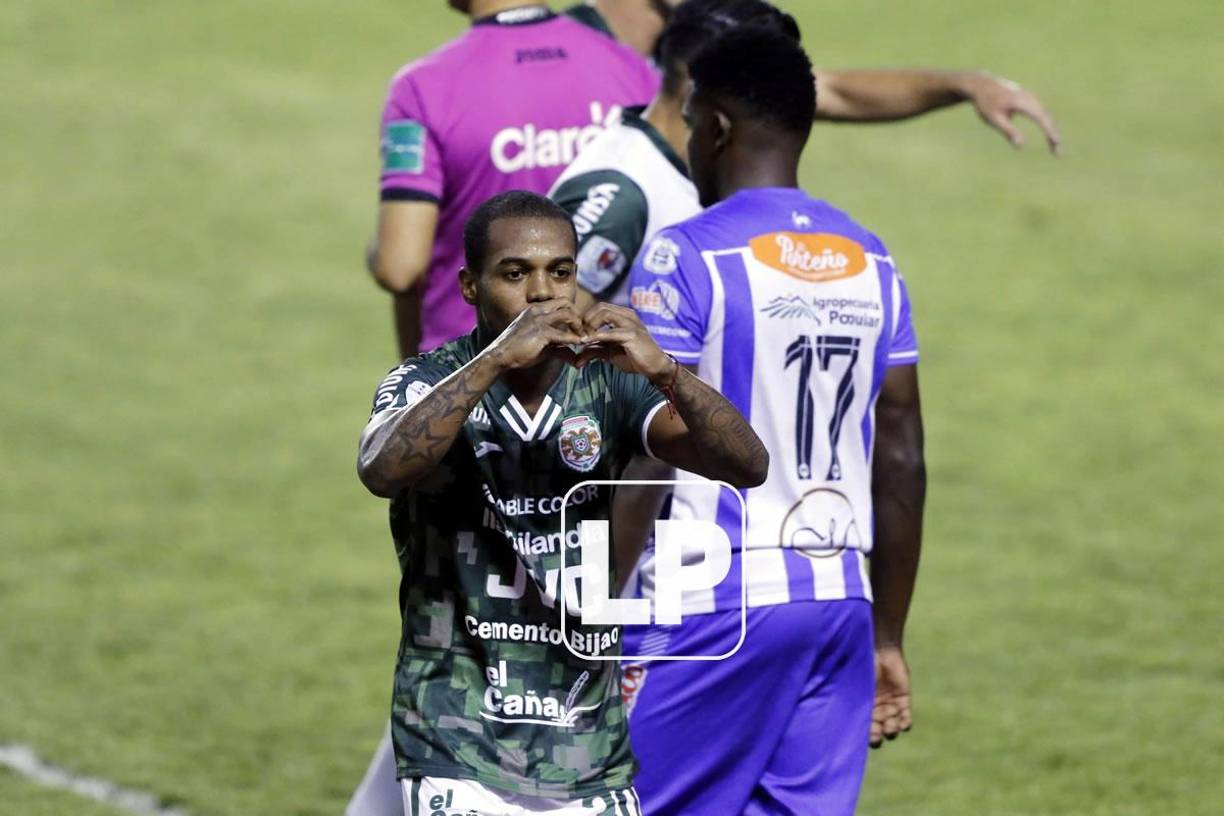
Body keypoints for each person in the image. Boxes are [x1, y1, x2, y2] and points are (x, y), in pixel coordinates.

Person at [355, 191, 767, 815]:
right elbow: (383, 469)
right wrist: (494, 363)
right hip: (458, 743)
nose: (543, 293)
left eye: (561, 272)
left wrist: (666, 372)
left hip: (589, 754)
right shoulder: (425, 382)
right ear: (470, 286)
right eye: (515, 273)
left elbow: (748, 466)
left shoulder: (611, 383)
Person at [621, 27, 925, 815]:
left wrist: (593, 611)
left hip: (706, 608)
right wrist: (885, 634)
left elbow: (651, 449)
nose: (686, 141)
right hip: (835, 605)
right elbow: (901, 455)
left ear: (715, 125)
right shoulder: (870, 257)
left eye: (688, 123)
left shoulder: (682, 256)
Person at [368, 0, 660, 359]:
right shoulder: (634, 71)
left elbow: (400, 267)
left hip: (474, 374)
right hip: (596, 378)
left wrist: (379, 248)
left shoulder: (421, 88)